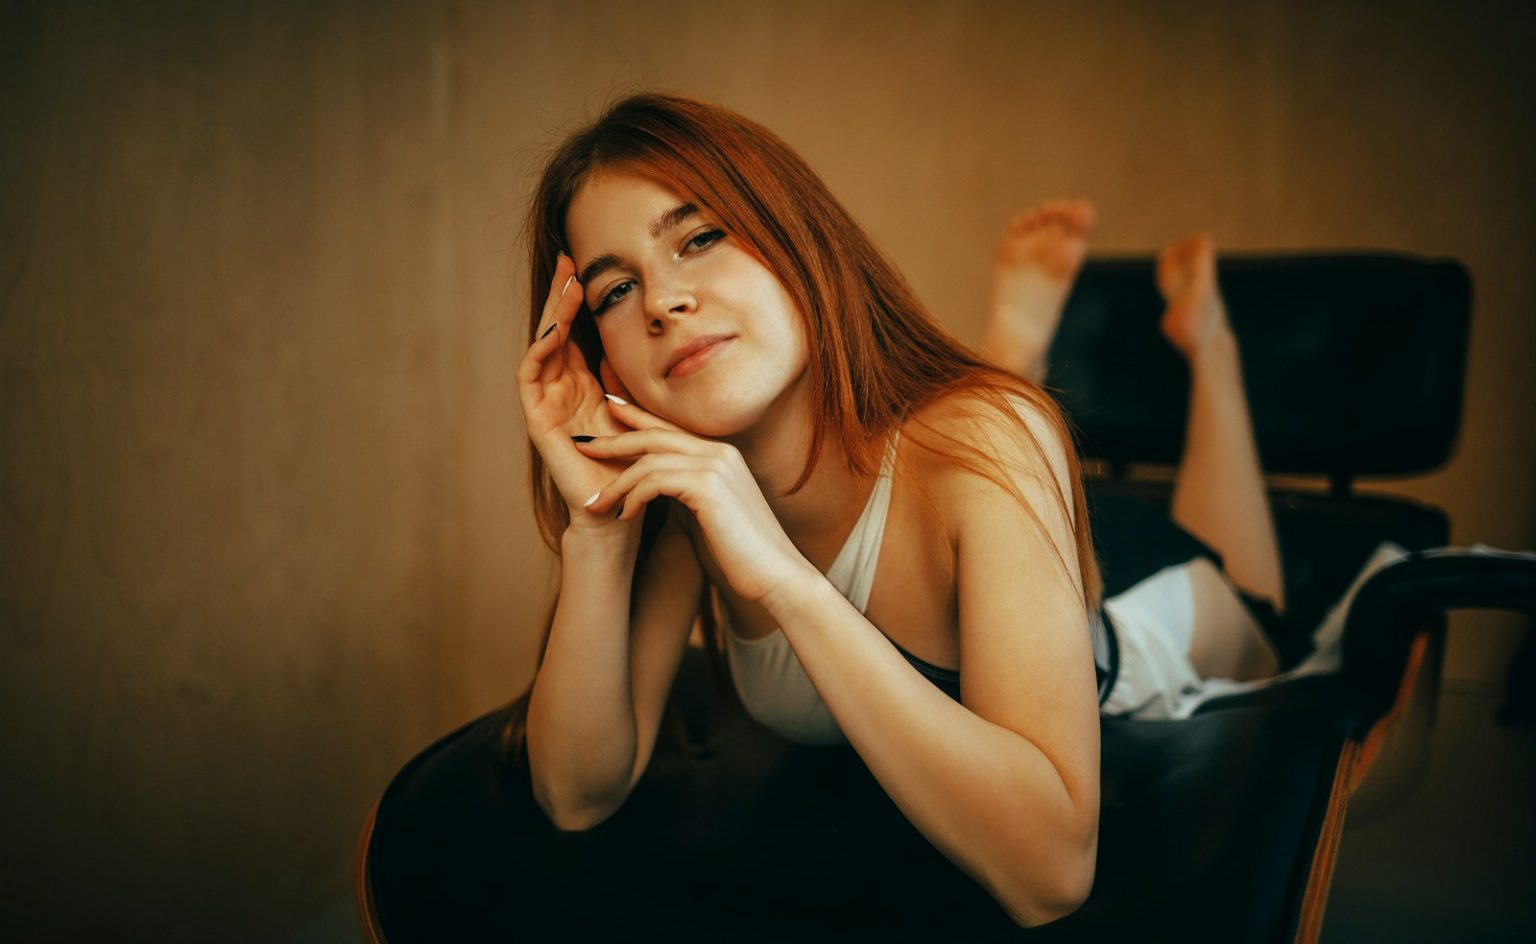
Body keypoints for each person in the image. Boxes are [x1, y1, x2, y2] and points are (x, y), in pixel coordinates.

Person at [507, 93, 1328, 928]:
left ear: (799, 238)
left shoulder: (981, 435)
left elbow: (1051, 873)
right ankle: (1029, 348)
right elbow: (576, 795)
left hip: (1157, 644)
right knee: (990, 444)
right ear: (597, 354)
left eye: (702, 238)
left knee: (1253, 600)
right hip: (995, 525)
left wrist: (786, 580)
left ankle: (1211, 353)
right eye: (614, 291)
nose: (660, 302)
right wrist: (599, 526)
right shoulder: (686, 510)